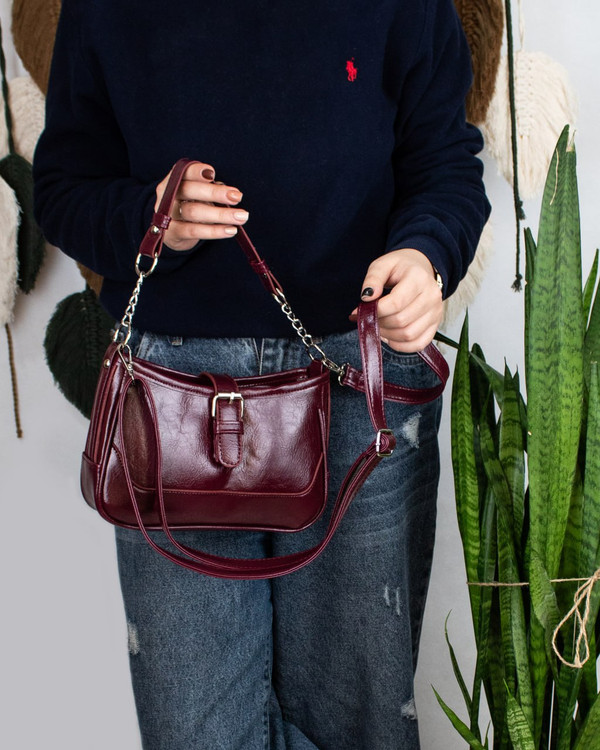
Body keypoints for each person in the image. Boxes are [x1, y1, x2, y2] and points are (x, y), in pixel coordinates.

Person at [33, 1, 490, 747]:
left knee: (360, 725)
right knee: (197, 734)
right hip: (173, 389)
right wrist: (148, 214)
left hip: (359, 377)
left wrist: (425, 256)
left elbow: (444, 162)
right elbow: (62, 187)